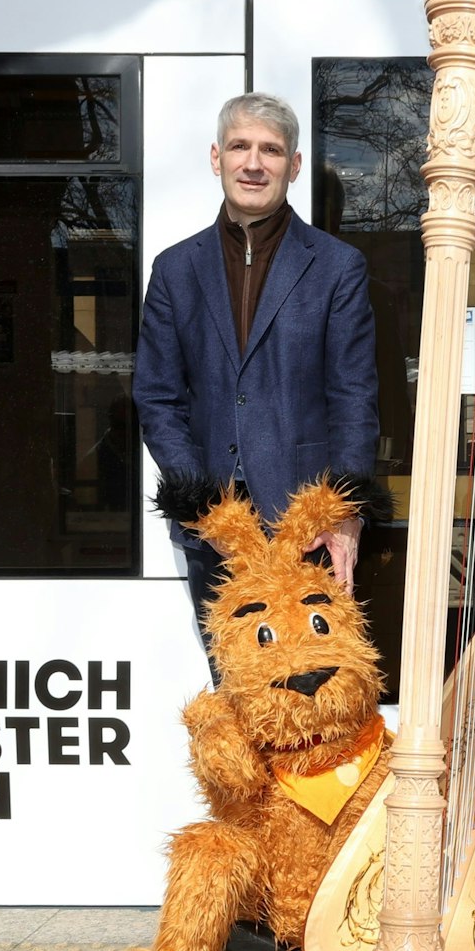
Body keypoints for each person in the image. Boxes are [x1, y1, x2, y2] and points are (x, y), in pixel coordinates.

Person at [134, 93, 380, 637]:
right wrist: (206, 507)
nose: (253, 163)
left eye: (270, 150)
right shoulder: (175, 269)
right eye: (239, 146)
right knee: (233, 679)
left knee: (310, 682)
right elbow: (157, 398)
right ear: (216, 157)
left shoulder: (338, 268)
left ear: (293, 166)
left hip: (309, 528)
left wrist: (344, 513)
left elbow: (353, 397)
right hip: (213, 528)